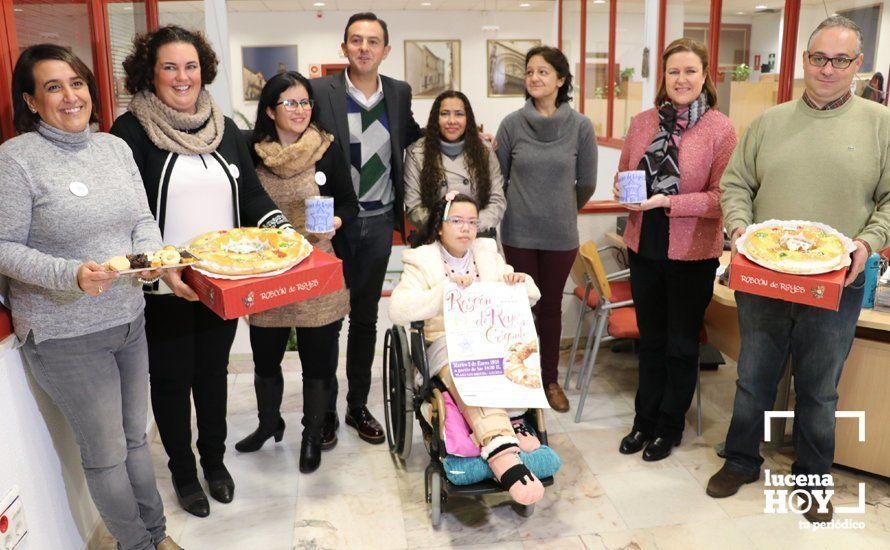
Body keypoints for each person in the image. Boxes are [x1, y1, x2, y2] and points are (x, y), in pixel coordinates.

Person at [708, 16, 890, 524]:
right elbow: (736, 184)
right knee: (753, 377)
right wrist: (741, 229)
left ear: (858, 65)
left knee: (819, 387)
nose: (827, 68)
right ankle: (742, 459)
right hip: (765, 275)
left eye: (840, 60)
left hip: (838, 282)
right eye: (818, 57)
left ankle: (812, 478)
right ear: (803, 60)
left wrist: (867, 242)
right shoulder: (769, 121)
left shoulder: (881, 125)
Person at [0, 44, 181, 550]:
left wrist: (148, 259)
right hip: (65, 334)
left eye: (76, 83)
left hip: (128, 319)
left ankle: (158, 536)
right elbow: (3, 247)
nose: (70, 95)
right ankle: (137, 545)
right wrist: (70, 275)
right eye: (53, 86)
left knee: (136, 444)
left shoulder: (113, 148)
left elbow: (142, 220)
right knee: (105, 454)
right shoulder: (16, 160)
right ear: (32, 102)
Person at [110, 25, 292, 518]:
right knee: (170, 381)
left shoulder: (225, 129)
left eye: (190, 66)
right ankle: (184, 473)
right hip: (162, 287)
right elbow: (125, 213)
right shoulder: (129, 132)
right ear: (151, 73)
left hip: (220, 284)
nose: (182, 76)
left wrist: (281, 229)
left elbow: (250, 195)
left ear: (203, 70)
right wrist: (161, 269)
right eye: (169, 66)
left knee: (213, 375)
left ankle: (214, 462)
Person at [612, 38, 737, 461]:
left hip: (692, 252)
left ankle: (669, 426)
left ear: (705, 76)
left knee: (681, 344)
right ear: (663, 78)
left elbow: (723, 197)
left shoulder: (721, 128)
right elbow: (625, 171)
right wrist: (622, 188)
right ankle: (642, 421)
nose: (681, 79)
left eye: (690, 71)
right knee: (650, 341)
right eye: (673, 72)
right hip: (644, 244)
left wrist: (670, 202)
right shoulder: (643, 120)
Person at [236, 71, 358, 473]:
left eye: (305, 102)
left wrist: (335, 224)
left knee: (318, 362)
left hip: (317, 269)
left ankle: (311, 434)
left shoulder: (326, 148)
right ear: (270, 110)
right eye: (290, 102)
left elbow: (349, 206)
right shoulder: (250, 151)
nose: (300, 110)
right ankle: (269, 424)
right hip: (268, 271)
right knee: (265, 360)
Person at [388, 192, 545, 505]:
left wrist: (517, 281)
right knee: (466, 363)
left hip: (488, 337)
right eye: (457, 221)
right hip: (445, 341)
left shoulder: (487, 253)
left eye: (472, 222)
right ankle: (502, 453)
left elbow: (532, 293)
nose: (465, 228)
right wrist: (441, 293)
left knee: (518, 349)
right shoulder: (420, 261)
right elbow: (398, 309)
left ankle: (514, 418)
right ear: (439, 226)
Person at [309, 12, 422, 445]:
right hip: (333, 225)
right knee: (327, 320)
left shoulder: (398, 92)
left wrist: (461, 140)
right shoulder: (321, 90)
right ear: (344, 48)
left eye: (373, 41)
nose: (364, 48)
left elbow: (409, 138)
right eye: (356, 40)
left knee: (365, 318)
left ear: (385, 50)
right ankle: (323, 415)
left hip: (378, 223)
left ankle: (357, 406)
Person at [495, 46, 597, 412]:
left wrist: (561, 211)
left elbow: (586, 183)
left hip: (560, 236)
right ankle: (519, 377)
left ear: (561, 80)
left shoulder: (581, 127)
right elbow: (498, 180)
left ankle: (549, 380)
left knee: (550, 307)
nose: (535, 78)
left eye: (543, 72)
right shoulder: (511, 125)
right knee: (519, 309)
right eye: (530, 72)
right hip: (518, 232)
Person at [404, 90, 506, 240]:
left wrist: (471, 225)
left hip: (478, 237)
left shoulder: (485, 149)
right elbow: (413, 206)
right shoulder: (417, 153)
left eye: (459, 114)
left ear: (468, 119)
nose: (452, 120)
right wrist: (444, 227)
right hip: (434, 239)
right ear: (435, 118)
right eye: (445, 113)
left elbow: (497, 200)